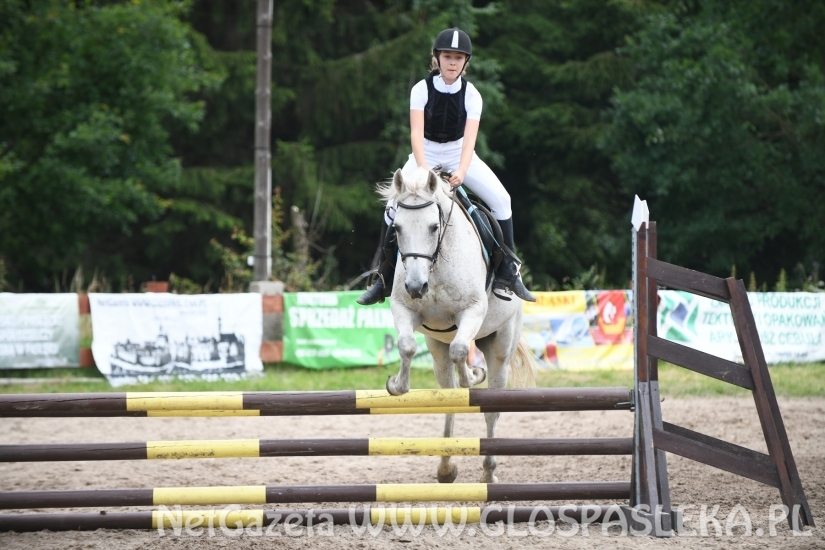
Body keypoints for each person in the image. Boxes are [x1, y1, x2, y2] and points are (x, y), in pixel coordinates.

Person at [358, 27, 535, 305]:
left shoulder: (472, 94)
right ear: (437, 59)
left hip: (458, 152)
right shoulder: (420, 89)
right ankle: (384, 278)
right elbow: (416, 133)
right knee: (392, 207)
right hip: (424, 152)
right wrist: (424, 168)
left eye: (458, 57)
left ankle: (507, 272)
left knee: (502, 200)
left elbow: (470, 140)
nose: (452, 62)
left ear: (466, 62)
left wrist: (462, 171)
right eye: (447, 56)